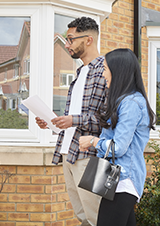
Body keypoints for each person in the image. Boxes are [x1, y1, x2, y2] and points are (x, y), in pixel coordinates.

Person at [35, 17, 107, 226]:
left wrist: (72, 120)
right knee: (82, 216)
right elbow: (76, 121)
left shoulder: (104, 71)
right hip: (69, 153)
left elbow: (107, 119)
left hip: (90, 156)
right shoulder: (79, 73)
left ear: (88, 40)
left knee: (97, 217)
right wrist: (53, 124)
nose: (67, 45)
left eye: (70, 39)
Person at [79, 48, 155, 226]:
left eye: (105, 69)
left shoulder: (131, 103)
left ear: (118, 71)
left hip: (124, 181)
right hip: (118, 182)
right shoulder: (124, 100)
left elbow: (119, 147)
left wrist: (93, 141)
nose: (102, 73)